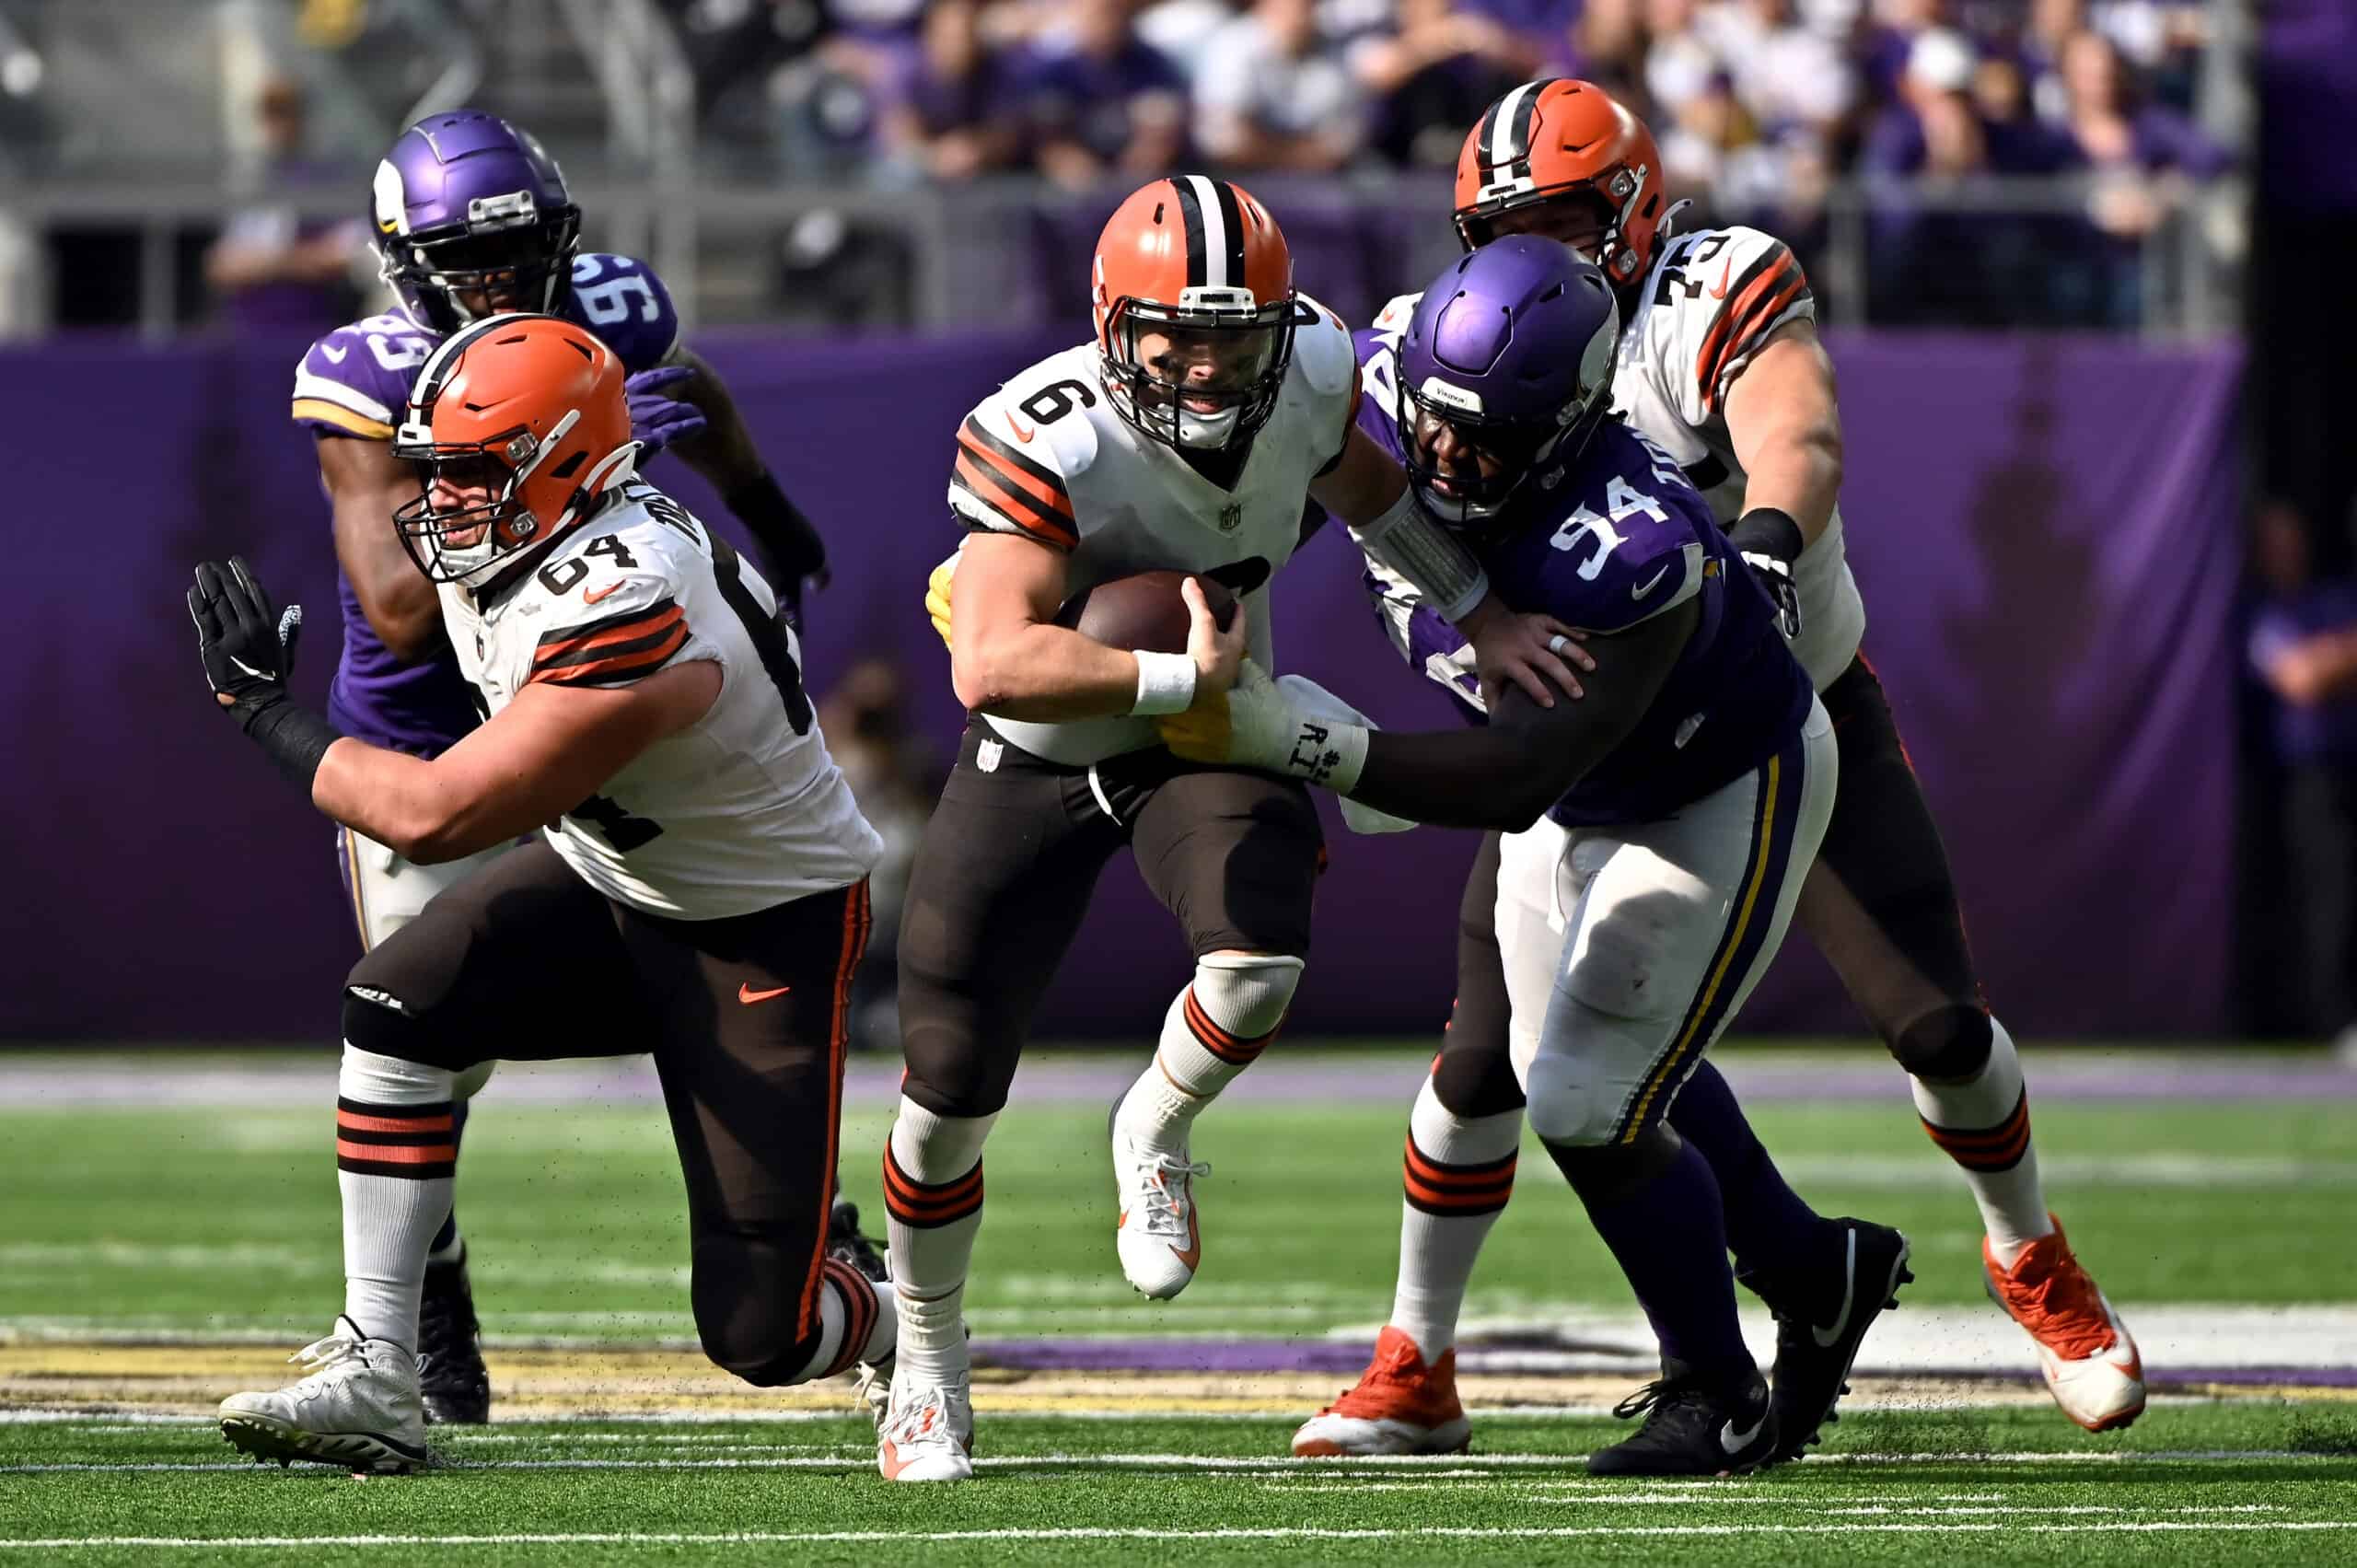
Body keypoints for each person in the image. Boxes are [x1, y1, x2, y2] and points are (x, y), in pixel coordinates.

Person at [1399, 76, 2146, 1432]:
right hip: (1599, 749)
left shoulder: (1704, 289)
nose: (1543, 249)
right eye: (1512, 223)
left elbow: (1794, 431)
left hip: (1777, 716)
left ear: (1630, 213)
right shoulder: (1466, 338)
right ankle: (1420, 1352)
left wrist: (1766, 542)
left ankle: (2025, 1245)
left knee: (1936, 1021)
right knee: (1493, 1054)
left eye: (1568, 217)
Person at [878, 174, 1582, 1482]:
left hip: (1200, 733)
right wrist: (1176, 680)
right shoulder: (1048, 434)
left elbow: (1379, 497)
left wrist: (1479, 612)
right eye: (1175, 338)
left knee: (1256, 957)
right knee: (944, 1093)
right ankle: (925, 1358)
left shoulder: (1313, 366)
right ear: (1111, 327)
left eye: (1233, 337)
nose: (1206, 368)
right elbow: (989, 662)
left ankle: (1151, 1124)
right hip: (1045, 746)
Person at [1165, 238, 1887, 1474]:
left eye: (1481, 441)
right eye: (1430, 425)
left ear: (1567, 427)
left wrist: (1296, 740)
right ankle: (1818, 1269)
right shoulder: (1376, 382)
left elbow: (1521, 776)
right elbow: (1282, 461)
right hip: (1587, 787)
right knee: (1573, 1066)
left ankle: (1714, 1389)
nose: (1441, 459)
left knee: (1581, 1098)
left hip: (1712, 782)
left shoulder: (1629, 543)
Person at [202, 316, 891, 1473]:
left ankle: (898, 1312)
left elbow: (437, 814)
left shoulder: (626, 591)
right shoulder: (528, 537)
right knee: (398, 1003)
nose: (440, 499)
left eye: (472, 471)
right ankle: (379, 1364)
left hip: (759, 923)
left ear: (565, 462)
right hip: (619, 876)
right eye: (431, 469)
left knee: (761, 1334)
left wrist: (265, 714)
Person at [287, 109, 841, 1423]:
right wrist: (566, 458)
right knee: (419, 1031)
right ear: (404, 266)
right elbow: (403, 603)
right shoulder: (366, 371)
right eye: (467, 267)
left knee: (616, 970)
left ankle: (791, 1199)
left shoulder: (609, 311)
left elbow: (691, 385)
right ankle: (419, 1319)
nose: (499, 285)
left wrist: (764, 503)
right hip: (435, 727)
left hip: (593, 719)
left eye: (521, 254)